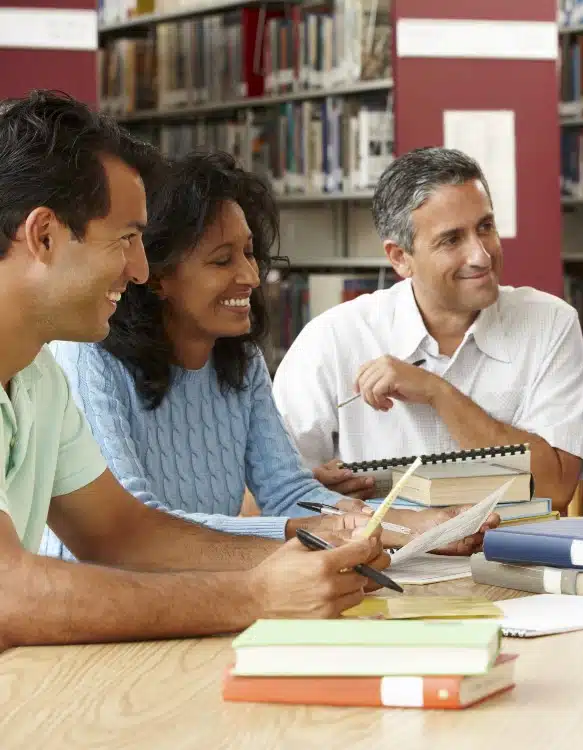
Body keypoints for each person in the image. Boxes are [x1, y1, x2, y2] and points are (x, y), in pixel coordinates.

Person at [0, 90, 387, 652]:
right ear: (44, 236)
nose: (139, 270)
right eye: (127, 239)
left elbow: (124, 536)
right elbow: (9, 593)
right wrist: (254, 595)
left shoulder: (39, 377)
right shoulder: (73, 363)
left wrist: (318, 554)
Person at [42, 151, 493, 558]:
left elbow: (286, 491)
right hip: (108, 605)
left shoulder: (240, 361)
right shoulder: (88, 358)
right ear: (157, 277)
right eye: (223, 260)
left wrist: (413, 524)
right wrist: (317, 529)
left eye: (250, 253)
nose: (251, 276)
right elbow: (137, 524)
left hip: (206, 585)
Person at [273, 147, 583, 514]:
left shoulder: (550, 322)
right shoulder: (332, 339)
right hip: (377, 561)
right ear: (400, 258)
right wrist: (319, 496)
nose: (481, 255)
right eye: (452, 240)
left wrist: (438, 393)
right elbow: (271, 496)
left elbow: (555, 489)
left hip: (512, 560)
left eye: (485, 227)